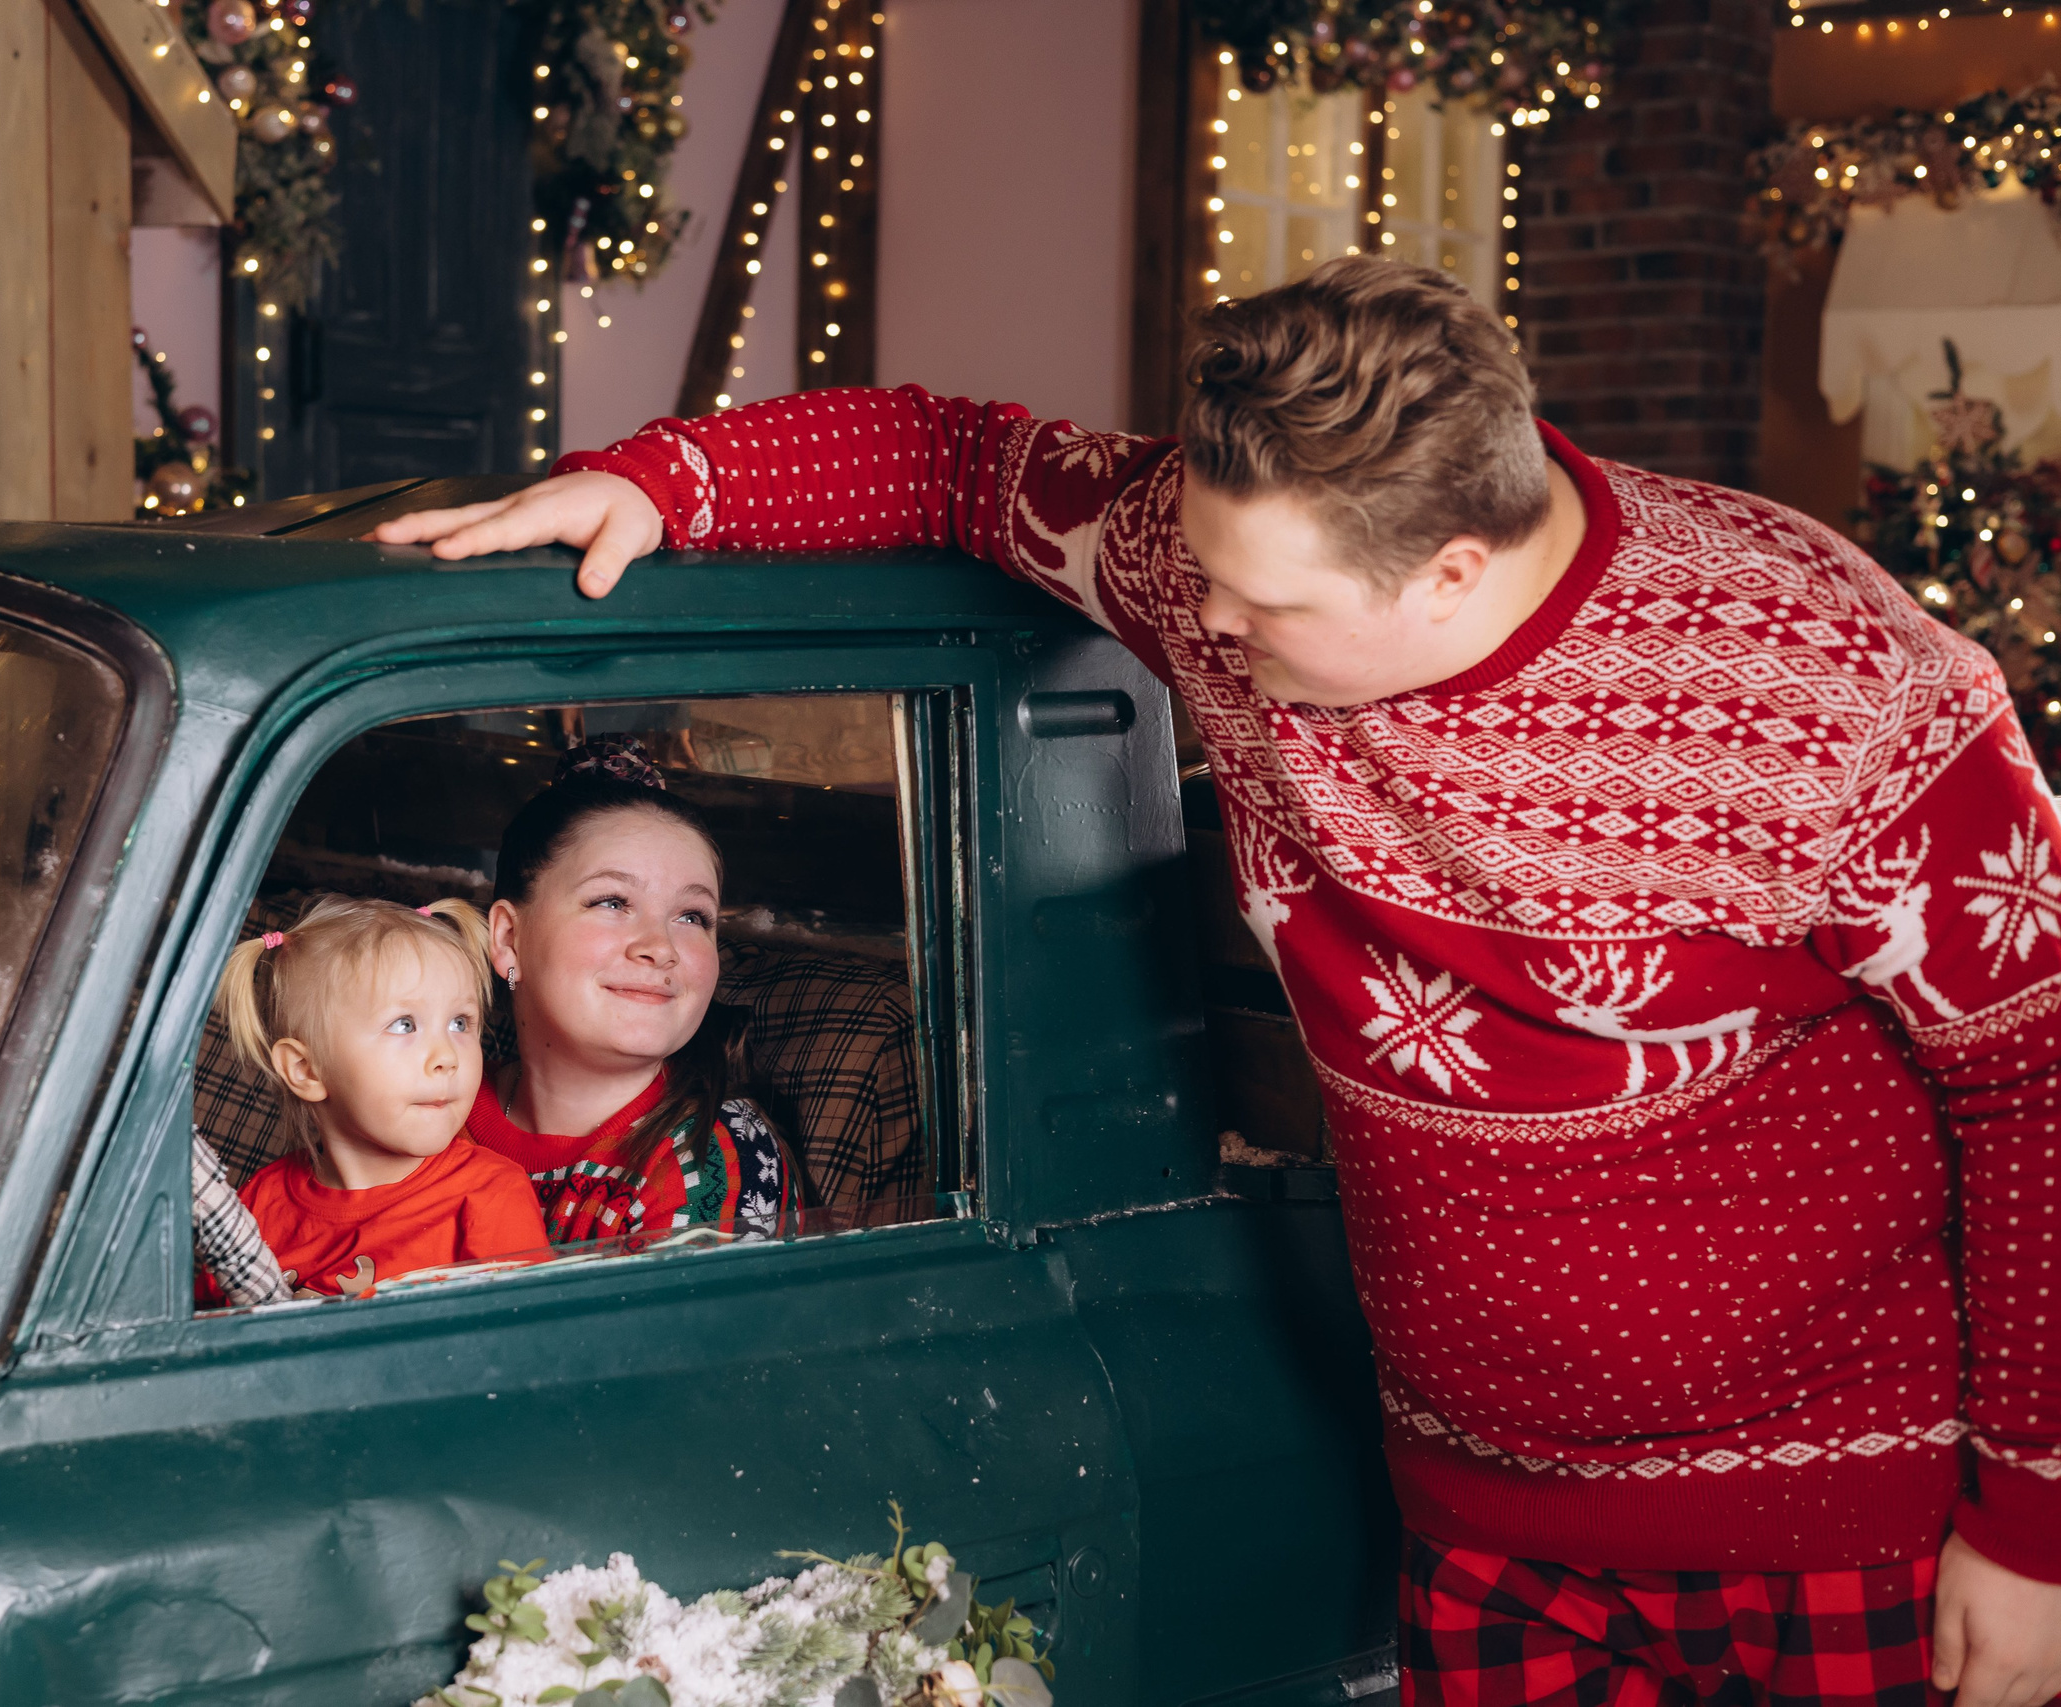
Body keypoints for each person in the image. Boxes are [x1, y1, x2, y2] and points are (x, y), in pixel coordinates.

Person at [377, 259, 2061, 1707]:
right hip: (1485, 1522)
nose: (1208, 626)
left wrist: (2036, 1530)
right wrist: (660, 482)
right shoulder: (1219, 566)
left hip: (1851, 1529)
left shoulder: (1836, 683)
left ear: (1450, 571)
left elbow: (2040, 1083)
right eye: (1205, 573)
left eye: (1268, 606)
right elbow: (960, 462)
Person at [469, 737, 798, 1244]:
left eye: (692, 916)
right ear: (510, 939)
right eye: (612, 902)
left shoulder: (715, 1159)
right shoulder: (422, 1106)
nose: (660, 948)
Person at [205, 894, 548, 1300]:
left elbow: (527, 1335)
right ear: (306, 1070)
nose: (447, 1058)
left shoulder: (490, 1196)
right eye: (404, 1025)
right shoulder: (257, 1206)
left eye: (460, 1023)